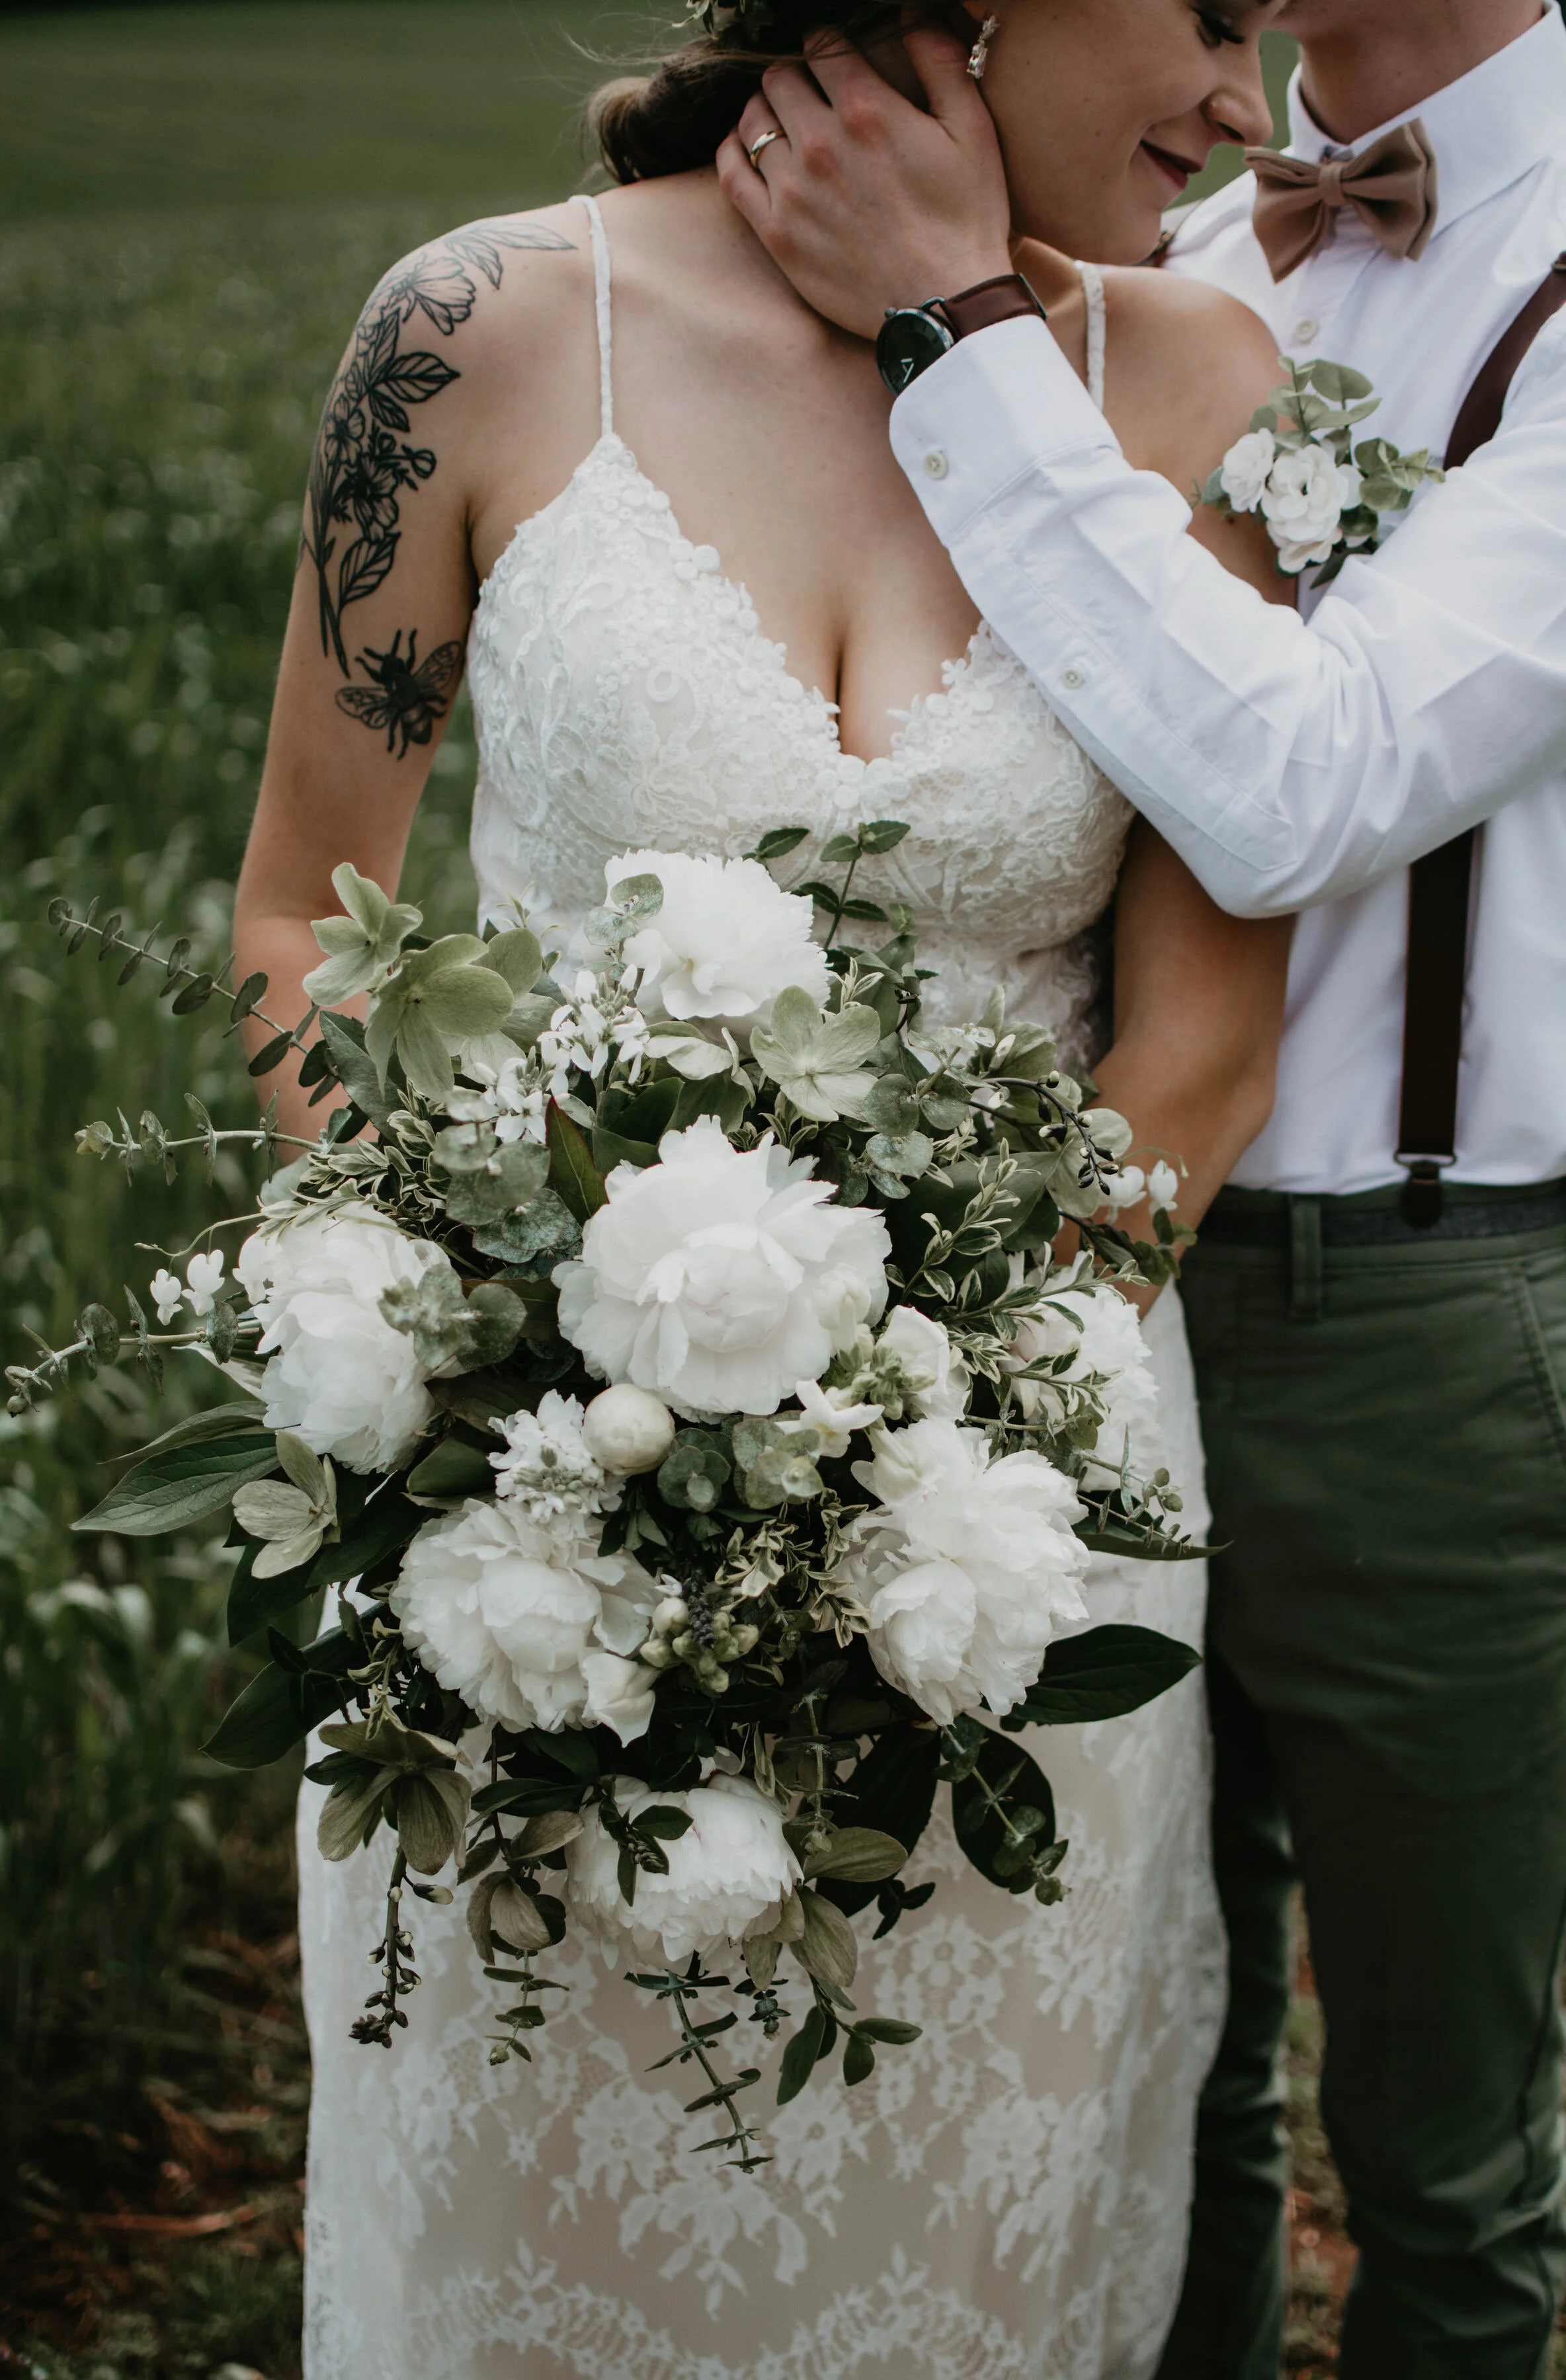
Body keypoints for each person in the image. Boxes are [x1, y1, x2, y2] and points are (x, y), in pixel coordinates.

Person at [233, 3, 1301, 2371]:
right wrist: (474, 1352)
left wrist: (916, 1455)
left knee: (971, 2248)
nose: (1255, 101)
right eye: (1218, 15)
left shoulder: (1203, 380)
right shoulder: (479, 331)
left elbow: (1199, 1056)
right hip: (530, 1512)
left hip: (1021, 1534)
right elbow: (308, 919)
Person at [716, 1, 1566, 2373]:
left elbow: (1311, 781)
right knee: (1133, 2082)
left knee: (1456, 2184)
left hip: (1430, 1332)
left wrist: (960, 321)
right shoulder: (1182, 241)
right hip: (1101, 1284)